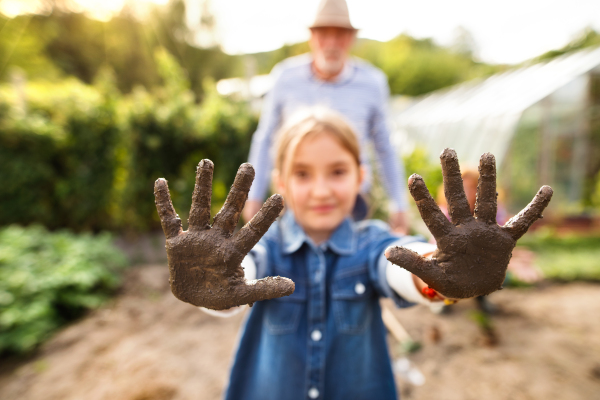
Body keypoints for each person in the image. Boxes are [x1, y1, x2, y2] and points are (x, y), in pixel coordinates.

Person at [153, 108, 552, 400]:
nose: (322, 189)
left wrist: (438, 273)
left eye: (337, 171)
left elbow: (397, 264)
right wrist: (212, 283)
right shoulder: (264, 248)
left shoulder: (369, 242)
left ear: (361, 177)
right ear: (281, 182)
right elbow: (236, 280)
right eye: (303, 173)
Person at [243, 0, 409, 233]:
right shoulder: (285, 78)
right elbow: (266, 138)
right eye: (324, 34)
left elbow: (385, 147)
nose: (331, 43)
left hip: (351, 200)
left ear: (350, 38)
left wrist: (399, 203)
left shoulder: (372, 82)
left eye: (339, 34)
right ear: (312, 37)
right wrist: (253, 195)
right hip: (299, 197)